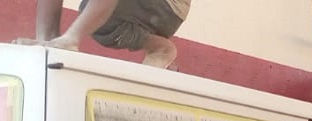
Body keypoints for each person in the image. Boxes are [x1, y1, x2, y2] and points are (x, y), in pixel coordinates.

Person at [15, 0, 190, 69]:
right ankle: (158, 46)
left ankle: (70, 39)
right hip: (127, 12)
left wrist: (71, 38)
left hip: (168, 9)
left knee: (89, 20)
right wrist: (46, 42)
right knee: (92, 18)